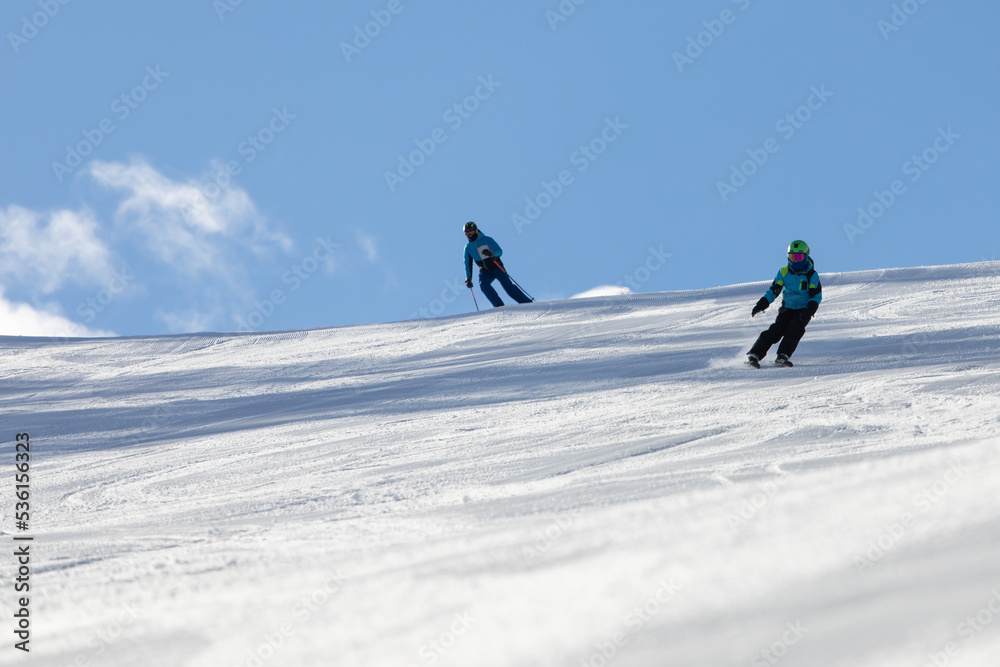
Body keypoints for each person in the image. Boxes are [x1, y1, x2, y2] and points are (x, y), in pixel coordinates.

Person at [746, 240, 822, 368]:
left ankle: (783, 355)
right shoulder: (783, 272)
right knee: (776, 331)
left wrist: (810, 309)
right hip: (787, 308)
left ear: (806, 256)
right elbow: (773, 290)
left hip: (803, 310)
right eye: (793, 257)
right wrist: (762, 304)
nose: (796, 261)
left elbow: (816, 295)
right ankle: (754, 354)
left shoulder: (811, 275)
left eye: (799, 257)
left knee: (795, 330)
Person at [462, 222, 532, 307]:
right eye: (467, 234)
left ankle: (527, 303)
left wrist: (491, 253)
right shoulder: (468, 247)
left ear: (476, 231)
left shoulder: (487, 240)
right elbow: (467, 264)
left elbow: (499, 251)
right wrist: (468, 278)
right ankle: (499, 306)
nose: (469, 235)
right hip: (484, 270)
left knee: (508, 287)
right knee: (484, 285)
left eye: (471, 233)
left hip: (496, 266)